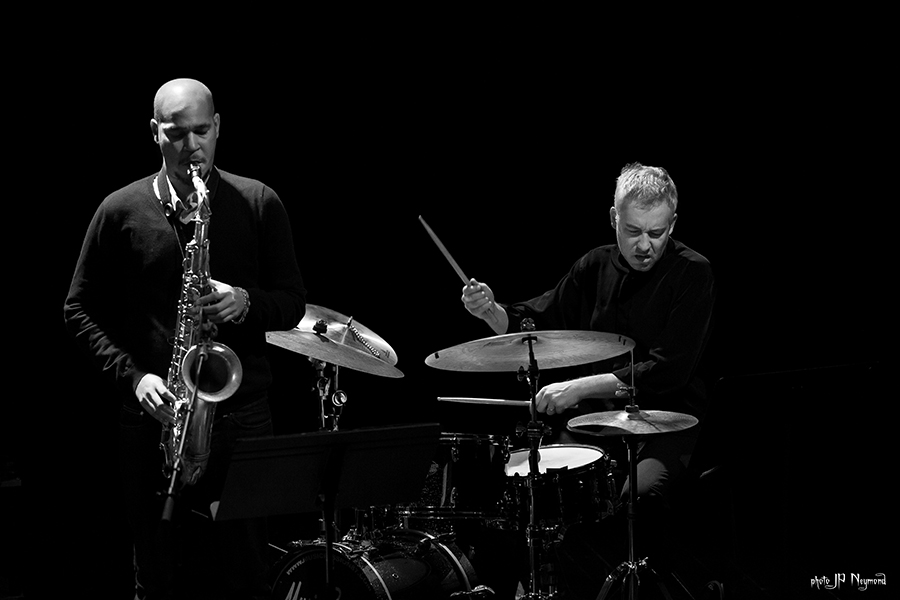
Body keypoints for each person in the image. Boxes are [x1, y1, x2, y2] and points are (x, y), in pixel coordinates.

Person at [64, 78, 307, 600]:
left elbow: (293, 302)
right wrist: (134, 378)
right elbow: (77, 309)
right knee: (158, 578)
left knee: (247, 576)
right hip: (154, 417)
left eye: (201, 131)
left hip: (242, 417)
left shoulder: (259, 201)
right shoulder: (119, 210)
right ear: (154, 132)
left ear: (217, 127)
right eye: (176, 134)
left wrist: (247, 301)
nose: (191, 146)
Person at [461, 162, 716, 595]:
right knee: (531, 487)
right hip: (598, 424)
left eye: (657, 233)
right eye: (633, 231)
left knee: (637, 499)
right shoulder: (594, 266)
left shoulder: (694, 272)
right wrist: (491, 311)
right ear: (614, 218)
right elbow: (539, 321)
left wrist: (579, 387)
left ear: (673, 224)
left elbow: (666, 372)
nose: (645, 245)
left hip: (670, 423)